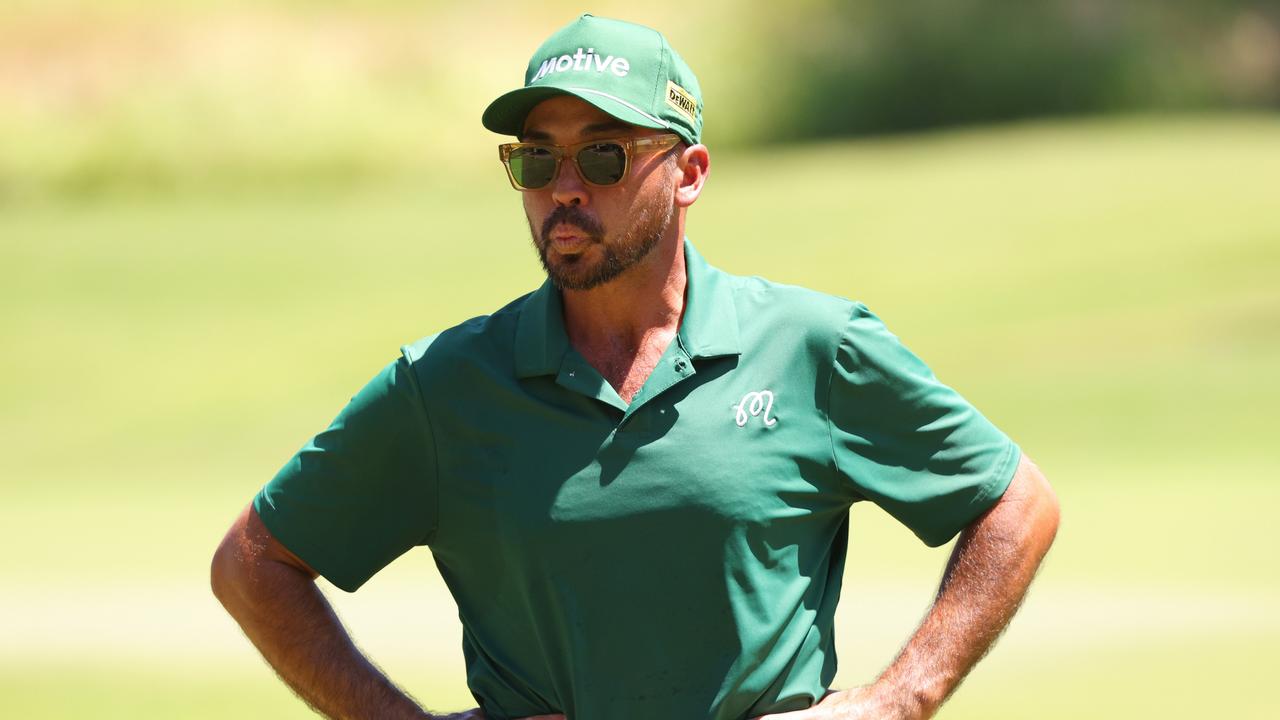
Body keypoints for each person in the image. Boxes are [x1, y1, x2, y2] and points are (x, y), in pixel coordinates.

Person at [211, 13, 1060, 720]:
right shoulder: (448, 384)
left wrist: (901, 699)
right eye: (536, 158)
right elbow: (254, 564)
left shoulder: (812, 347)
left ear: (689, 173)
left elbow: (1016, 505)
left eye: (604, 154)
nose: (564, 188)